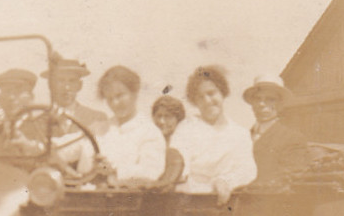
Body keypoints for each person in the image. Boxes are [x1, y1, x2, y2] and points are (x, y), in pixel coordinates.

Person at [169, 65, 256, 203]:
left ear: (222, 92)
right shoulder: (186, 129)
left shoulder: (240, 133)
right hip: (193, 200)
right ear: (195, 102)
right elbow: (180, 167)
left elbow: (247, 170)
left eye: (211, 93)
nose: (207, 101)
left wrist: (225, 181)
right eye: (200, 97)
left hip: (231, 201)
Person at [95, 66, 167, 182]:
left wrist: (115, 170)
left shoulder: (149, 132)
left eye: (120, 95)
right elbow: (72, 147)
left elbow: (151, 172)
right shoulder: (100, 128)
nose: (115, 103)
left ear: (134, 93)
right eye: (109, 98)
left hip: (130, 197)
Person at [242, 74, 310, 186]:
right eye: (258, 99)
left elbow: (291, 178)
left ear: (281, 104)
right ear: (252, 104)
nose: (262, 104)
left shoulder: (292, 138)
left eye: (270, 99)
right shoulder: (242, 137)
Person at [42, 53, 108, 133]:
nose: (67, 87)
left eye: (72, 81)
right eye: (61, 81)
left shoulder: (96, 118)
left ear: (80, 85)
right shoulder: (38, 122)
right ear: (50, 84)